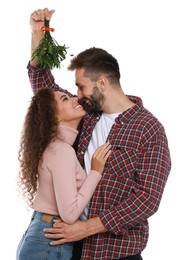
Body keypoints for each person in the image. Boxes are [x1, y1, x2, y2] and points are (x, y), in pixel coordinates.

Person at [28, 8, 171, 260]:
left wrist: (85, 228)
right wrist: (38, 33)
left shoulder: (149, 129)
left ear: (102, 83)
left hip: (116, 252)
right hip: (68, 247)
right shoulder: (84, 114)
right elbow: (42, 82)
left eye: (81, 87)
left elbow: (147, 198)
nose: (77, 95)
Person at [16, 88, 111, 260]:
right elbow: (69, 214)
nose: (75, 99)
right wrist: (96, 172)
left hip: (43, 235)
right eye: (65, 99)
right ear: (54, 116)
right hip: (49, 241)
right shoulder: (62, 151)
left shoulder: (54, 147)